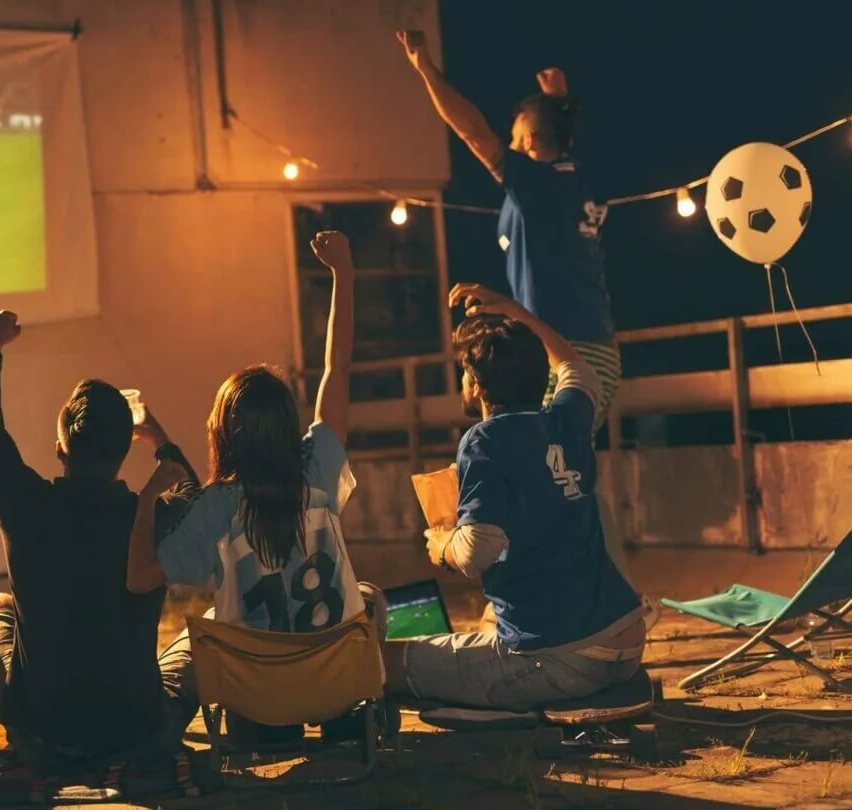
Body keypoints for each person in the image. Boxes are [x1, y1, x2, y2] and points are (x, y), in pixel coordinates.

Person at [397, 31, 636, 591]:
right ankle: (612, 591)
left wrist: (425, 70)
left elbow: (471, 131)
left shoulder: (536, 184)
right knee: (561, 469)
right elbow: (558, 144)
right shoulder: (571, 180)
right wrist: (560, 100)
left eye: (513, 137)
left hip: (569, 349)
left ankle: (600, 592)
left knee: (548, 468)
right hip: (577, 347)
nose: (501, 145)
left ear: (528, 139)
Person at [124, 231, 376, 742]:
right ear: (288, 423)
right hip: (336, 687)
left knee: (210, 627)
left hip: (261, 703)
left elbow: (138, 579)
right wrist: (343, 274)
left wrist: (148, 496)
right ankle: (352, 723)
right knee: (366, 597)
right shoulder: (319, 471)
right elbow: (338, 368)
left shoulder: (218, 507)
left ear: (223, 433)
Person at [384, 283, 644, 710]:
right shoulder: (567, 419)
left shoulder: (484, 440)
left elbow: (477, 553)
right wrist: (514, 312)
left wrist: (442, 543)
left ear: (477, 385)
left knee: (383, 662)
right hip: (627, 640)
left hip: (561, 659)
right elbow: (577, 368)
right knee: (491, 621)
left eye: (465, 373)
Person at [0, 309, 199, 760]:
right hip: (138, 725)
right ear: (122, 450)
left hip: (47, 721)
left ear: (60, 450)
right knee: (200, 636)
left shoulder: (25, 503)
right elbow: (197, 497)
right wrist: (160, 440)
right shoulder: (155, 519)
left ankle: (20, 728)